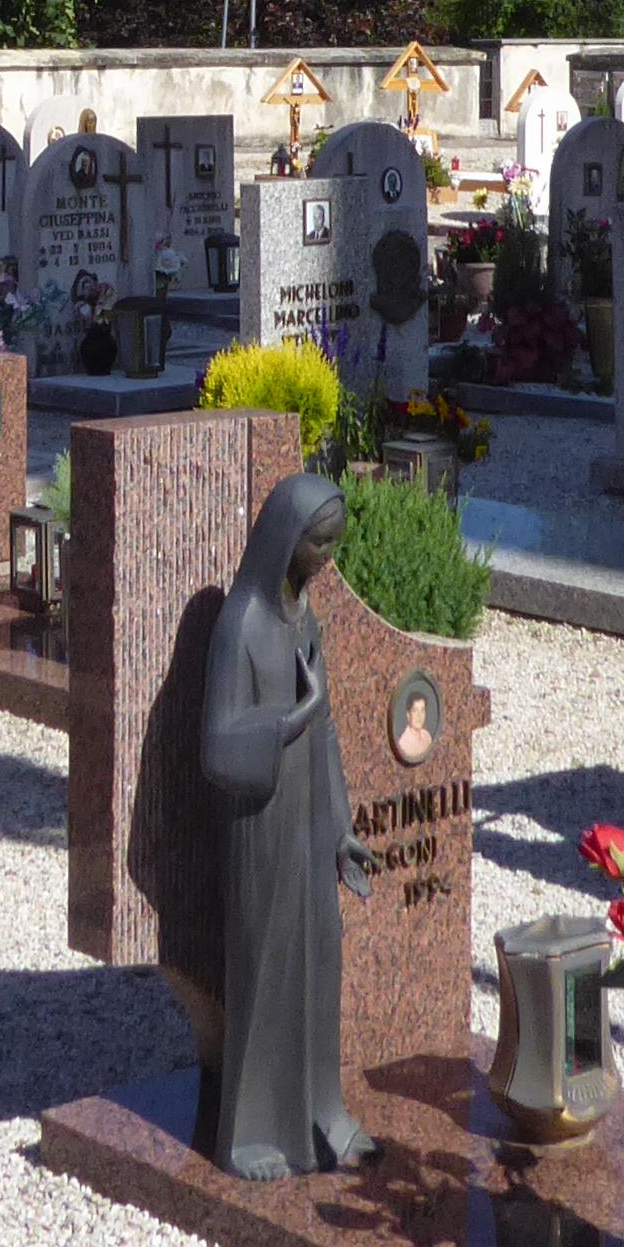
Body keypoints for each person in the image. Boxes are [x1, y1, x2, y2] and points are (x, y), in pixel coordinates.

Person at [197, 471, 377, 1182]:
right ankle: (248, 1133)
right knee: (267, 968)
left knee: (320, 961)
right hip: (262, 824)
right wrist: (291, 717)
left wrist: (341, 830)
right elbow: (217, 747)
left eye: (333, 545)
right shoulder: (240, 625)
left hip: (307, 821)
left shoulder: (305, 619)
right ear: (284, 539)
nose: (326, 560)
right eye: (318, 545)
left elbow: (325, 731)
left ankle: (321, 1111)